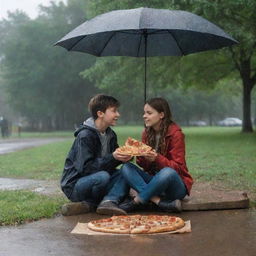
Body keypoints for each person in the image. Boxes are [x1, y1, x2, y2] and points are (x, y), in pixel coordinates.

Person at [116, 97, 193, 213]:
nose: (144, 116)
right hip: (154, 183)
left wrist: (157, 158)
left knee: (167, 172)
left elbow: (178, 169)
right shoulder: (146, 133)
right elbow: (146, 167)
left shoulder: (176, 134)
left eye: (149, 113)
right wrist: (137, 154)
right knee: (126, 167)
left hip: (174, 187)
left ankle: (136, 201)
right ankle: (159, 202)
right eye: (144, 112)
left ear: (161, 115)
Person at [60, 94, 132, 216]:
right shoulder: (85, 136)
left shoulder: (110, 134)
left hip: (99, 178)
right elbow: (86, 169)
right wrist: (113, 157)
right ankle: (93, 203)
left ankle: (108, 201)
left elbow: (112, 160)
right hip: (76, 185)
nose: (118, 115)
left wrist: (126, 156)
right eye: (114, 111)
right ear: (100, 114)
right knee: (103, 176)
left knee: (127, 172)